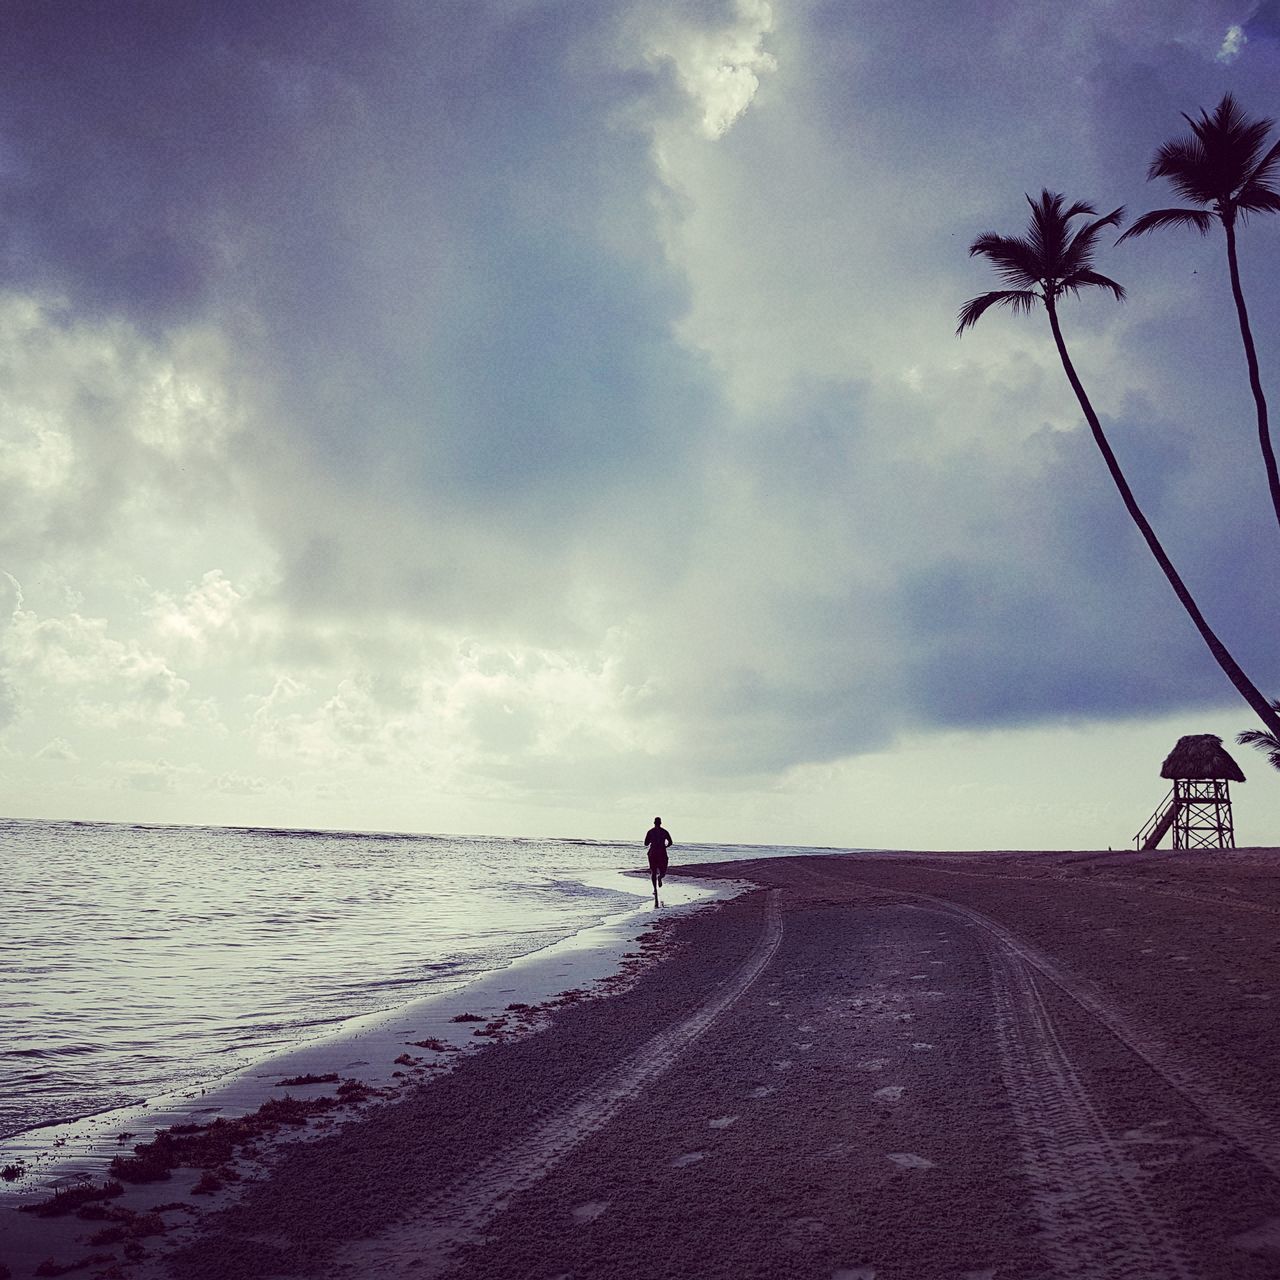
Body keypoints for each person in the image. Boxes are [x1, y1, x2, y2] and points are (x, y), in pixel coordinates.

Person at [644, 816, 673, 895]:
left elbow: (646, 843)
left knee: (653, 872)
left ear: (654, 823)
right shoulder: (664, 831)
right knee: (663, 871)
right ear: (660, 823)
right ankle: (660, 878)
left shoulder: (650, 832)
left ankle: (655, 889)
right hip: (662, 853)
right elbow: (670, 842)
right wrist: (665, 846)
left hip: (653, 853)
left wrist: (652, 840)